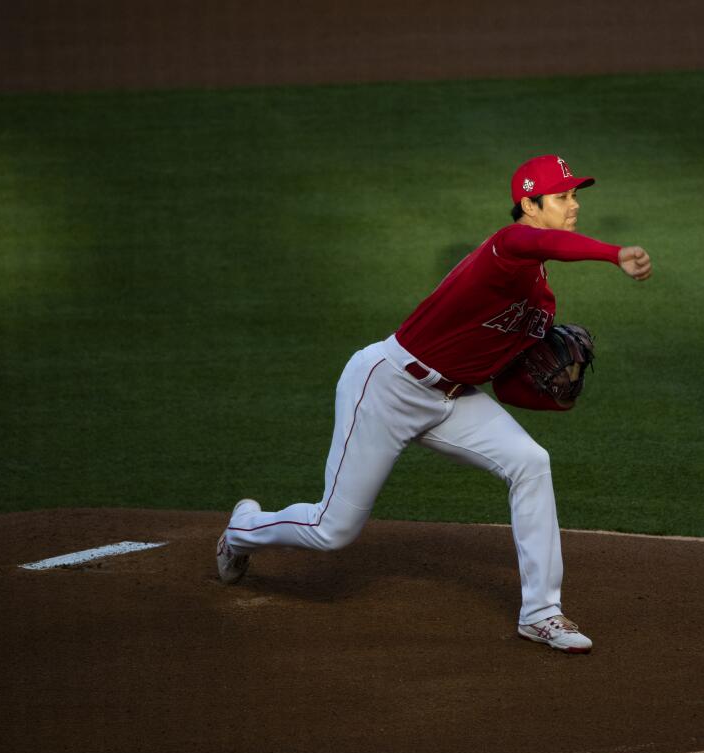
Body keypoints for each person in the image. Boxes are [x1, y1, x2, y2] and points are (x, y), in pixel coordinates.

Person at [217, 155, 652, 653]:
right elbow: (542, 242)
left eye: (575, 195)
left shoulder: (541, 301)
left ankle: (541, 613)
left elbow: (509, 386)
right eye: (562, 196)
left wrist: (553, 395)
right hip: (387, 387)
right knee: (332, 530)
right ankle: (242, 529)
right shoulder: (507, 247)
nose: (574, 205)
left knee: (531, 462)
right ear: (528, 205)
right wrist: (613, 253)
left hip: (452, 399)